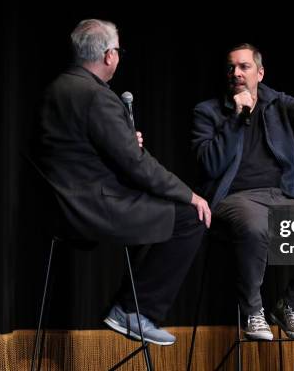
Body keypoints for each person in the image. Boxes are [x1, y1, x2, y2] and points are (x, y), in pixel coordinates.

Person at [35, 19, 210, 346]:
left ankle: (130, 306)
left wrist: (123, 140)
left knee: (164, 213)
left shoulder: (57, 87)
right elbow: (136, 166)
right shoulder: (97, 96)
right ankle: (132, 310)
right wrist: (190, 194)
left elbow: (74, 148)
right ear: (108, 56)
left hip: (58, 205)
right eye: (117, 50)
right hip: (93, 207)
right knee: (190, 217)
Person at [192, 43, 294, 340]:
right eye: (231, 68)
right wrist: (237, 118)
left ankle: (291, 306)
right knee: (255, 226)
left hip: (282, 196)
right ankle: (252, 312)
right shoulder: (208, 112)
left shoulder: (277, 102)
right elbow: (209, 165)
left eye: (244, 66)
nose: (236, 73)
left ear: (260, 73)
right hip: (233, 199)